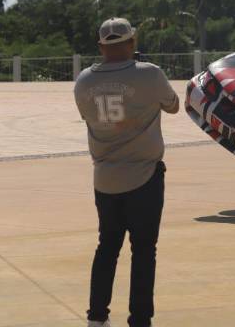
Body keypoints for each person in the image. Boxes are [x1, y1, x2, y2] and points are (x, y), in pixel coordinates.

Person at [74, 17, 180, 327]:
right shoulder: (150, 74)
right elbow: (173, 105)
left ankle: (97, 317)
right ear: (132, 43)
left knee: (107, 247)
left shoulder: (83, 81)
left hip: (104, 178)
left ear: (100, 47)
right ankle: (139, 320)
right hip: (144, 176)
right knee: (144, 251)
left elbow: (87, 117)